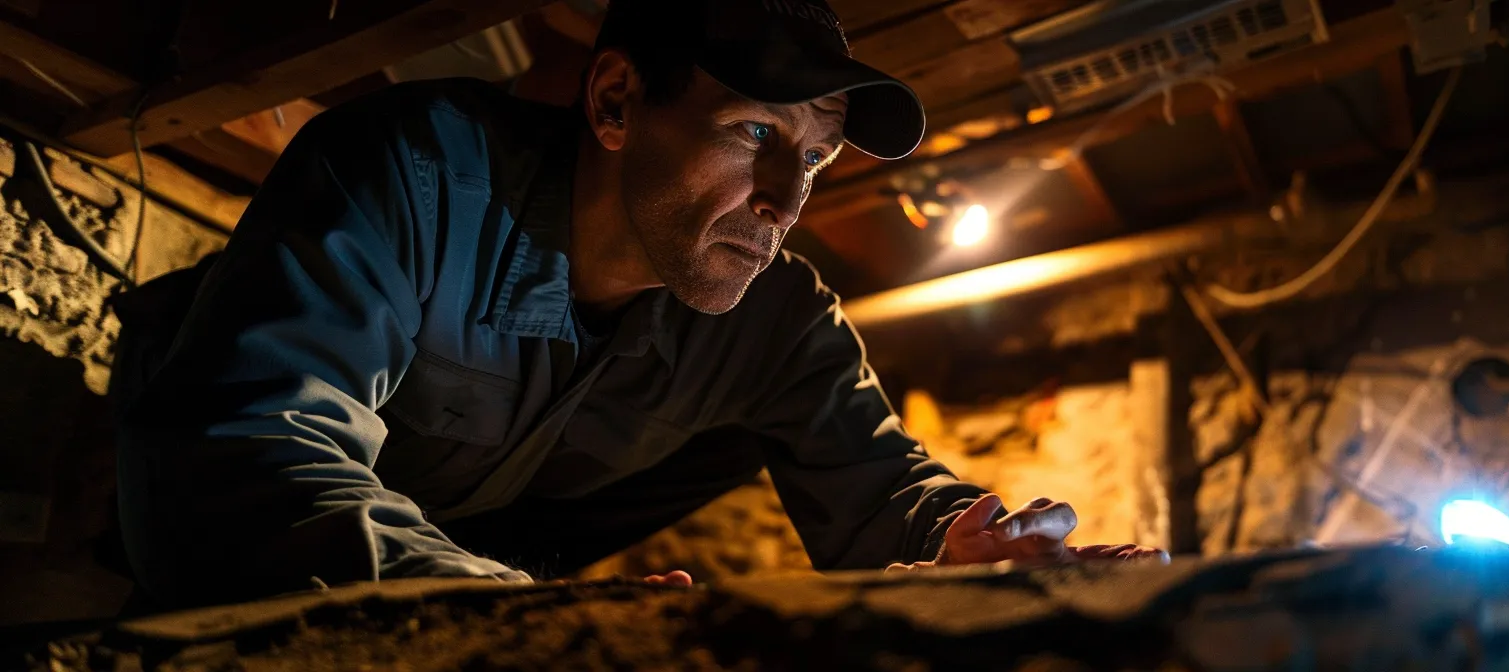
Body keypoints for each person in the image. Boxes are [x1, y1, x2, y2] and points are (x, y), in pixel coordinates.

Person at [110, 0, 1165, 609]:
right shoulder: (409, 170)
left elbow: (882, 482)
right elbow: (248, 450)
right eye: (757, 133)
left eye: (815, 156)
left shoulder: (780, 317)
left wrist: (962, 542)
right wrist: (525, 611)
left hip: (465, 549)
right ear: (615, 101)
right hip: (163, 526)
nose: (785, 200)